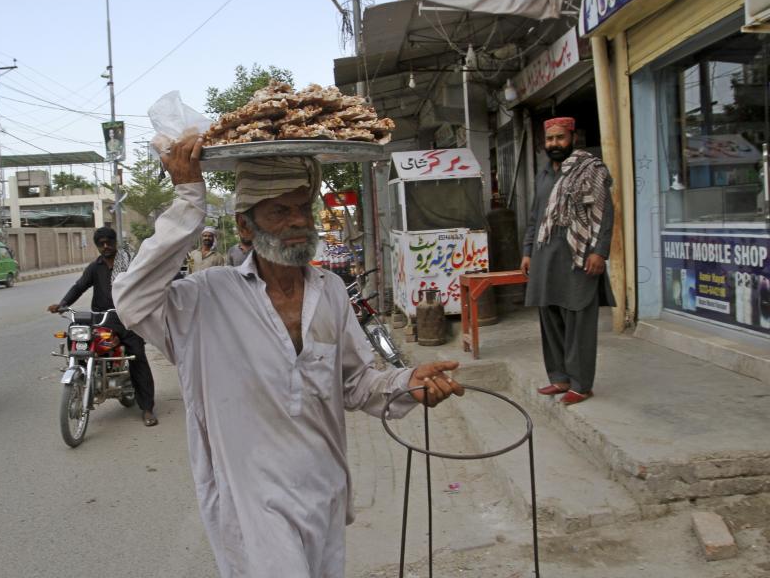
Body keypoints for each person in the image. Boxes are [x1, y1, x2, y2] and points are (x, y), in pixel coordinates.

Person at [113, 134, 463, 577]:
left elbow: (356, 384)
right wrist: (188, 200)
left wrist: (408, 384)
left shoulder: (331, 291)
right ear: (245, 226)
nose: (299, 221)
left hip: (324, 489)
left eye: (303, 208)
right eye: (280, 211)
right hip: (251, 498)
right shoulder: (205, 297)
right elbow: (132, 300)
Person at [520, 117, 615, 405]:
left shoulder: (591, 170)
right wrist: (527, 252)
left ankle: (581, 384)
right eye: (550, 140)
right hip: (545, 256)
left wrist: (600, 252)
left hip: (579, 255)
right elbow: (536, 216)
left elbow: (605, 212)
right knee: (550, 317)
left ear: (573, 137)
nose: (554, 144)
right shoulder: (544, 173)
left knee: (578, 320)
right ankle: (559, 378)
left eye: (560, 138)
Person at [48, 227, 158, 426]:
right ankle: (81, 379)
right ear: (97, 246)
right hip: (102, 319)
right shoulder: (95, 267)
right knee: (77, 336)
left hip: (126, 319)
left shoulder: (127, 263)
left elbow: (142, 285)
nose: (105, 246)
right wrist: (63, 304)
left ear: (115, 242)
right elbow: (79, 286)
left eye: (109, 242)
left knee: (137, 358)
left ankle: (148, 408)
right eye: (101, 243)